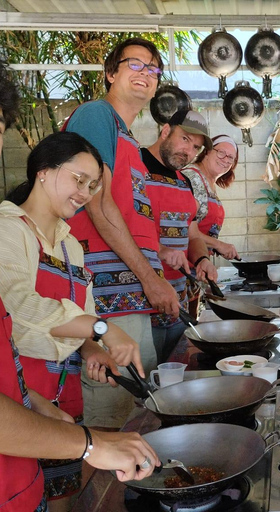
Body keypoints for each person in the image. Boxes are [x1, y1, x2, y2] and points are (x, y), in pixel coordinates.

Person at [0, 61, 158, 512]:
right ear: (44, 171)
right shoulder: (10, 228)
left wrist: (92, 352)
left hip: (60, 396)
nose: (85, 193)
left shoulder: (72, 244)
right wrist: (104, 329)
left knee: (62, 496)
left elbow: (79, 321)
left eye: (93, 185)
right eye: (78, 179)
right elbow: (18, 307)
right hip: (18, 395)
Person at [64, 37, 178, 429]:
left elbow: (130, 217)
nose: (145, 74)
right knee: (115, 415)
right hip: (107, 293)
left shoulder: (125, 135)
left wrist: (156, 268)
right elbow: (97, 204)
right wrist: (151, 279)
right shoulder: (97, 115)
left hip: (127, 294)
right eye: (135, 64)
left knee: (134, 410)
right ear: (111, 73)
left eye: (153, 69)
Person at [142, 109, 218, 363]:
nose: (188, 151)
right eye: (184, 139)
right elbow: (118, 228)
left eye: (195, 147)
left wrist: (202, 260)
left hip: (177, 307)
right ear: (165, 131)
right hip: (139, 308)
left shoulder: (183, 182)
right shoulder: (134, 169)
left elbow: (193, 234)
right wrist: (161, 251)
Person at [183, 134, 240, 260]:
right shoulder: (192, 178)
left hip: (199, 262)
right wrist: (219, 245)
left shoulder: (208, 182)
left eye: (231, 157)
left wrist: (215, 246)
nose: (225, 159)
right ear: (207, 151)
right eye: (221, 152)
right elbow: (183, 227)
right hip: (181, 263)